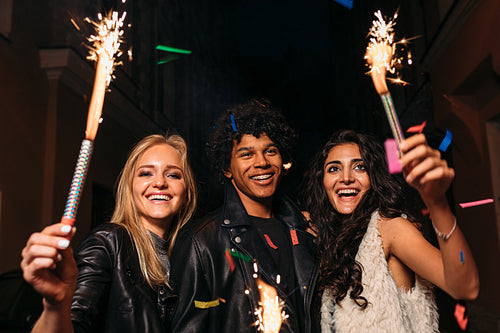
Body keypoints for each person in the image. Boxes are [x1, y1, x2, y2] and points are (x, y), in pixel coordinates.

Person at [300, 129, 479, 332]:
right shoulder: (331, 237)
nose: (346, 178)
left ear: (374, 177)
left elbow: (466, 287)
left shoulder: (388, 228)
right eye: (334, 169)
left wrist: (437, 203)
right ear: (322, 181)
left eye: (360, 167)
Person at [21, 134, 197, 333]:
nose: (159, 183)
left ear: (187, 192)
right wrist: (55, 306)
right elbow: (73, 323)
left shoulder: (193, 256)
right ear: (130, 188)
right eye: (146, 173)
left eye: (173, 175)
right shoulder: (107, 244)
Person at [169, 100, 318, 332]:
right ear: (227, 169)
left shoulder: (305, 230)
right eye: (246, 154)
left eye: (270, 151)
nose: (262, 163)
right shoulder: (202, 242)